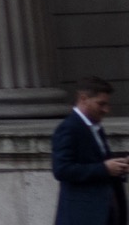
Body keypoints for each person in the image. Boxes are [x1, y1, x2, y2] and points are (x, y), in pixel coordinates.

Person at [53, 76, 129, 225]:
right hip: (83, 215)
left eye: (107, 104)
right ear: (83, 98)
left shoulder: (94, 127)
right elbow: (61, 169)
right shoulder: (68, 128)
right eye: (101, 104)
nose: (106, 110)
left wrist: (119, 165)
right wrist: (104, 168)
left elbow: (97, 161)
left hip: (104, 212)